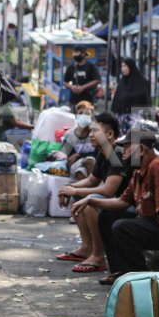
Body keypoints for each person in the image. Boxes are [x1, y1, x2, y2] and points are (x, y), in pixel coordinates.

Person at [76, 129, 159, 285]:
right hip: (154, 223)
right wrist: (90, 200)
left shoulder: (157, 168)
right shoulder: (139, 171)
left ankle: (142, 278)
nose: (123, 152)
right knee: (107, 217)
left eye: (127, 147)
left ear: (141, 149)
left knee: (123, 227)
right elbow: (122, 202)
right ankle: (120, 272)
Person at [54, 113, 128, 274]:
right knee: (79, 197)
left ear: (109, 134)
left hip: (130, 206)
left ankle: (99, 255)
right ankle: (87, 248)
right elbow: (91, 181)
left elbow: (108, 191)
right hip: (117, 201)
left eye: (95, 131)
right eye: (91, 131)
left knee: (90, 202)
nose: (91, 135)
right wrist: (68, 188)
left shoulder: (117, 154)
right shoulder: (103, 153)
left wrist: (77, 190)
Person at [61, 101, 98, 175]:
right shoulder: (69, 135)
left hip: (94, 166)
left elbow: (99, 155)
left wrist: (79, 155)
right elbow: (68, 158)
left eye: (86, 114)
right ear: (76, 116)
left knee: (90, 162)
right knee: (80, 171)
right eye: (80, 113)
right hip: (75, 166)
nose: (83, 116)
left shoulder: (96, 134)